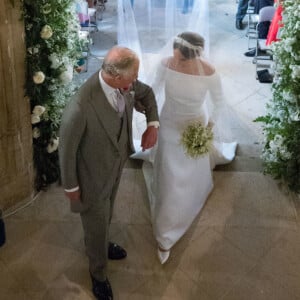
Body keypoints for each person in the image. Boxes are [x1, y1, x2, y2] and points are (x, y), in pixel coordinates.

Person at [59, 46, 159, 300]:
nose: (135, 81)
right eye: (132, 77)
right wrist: (71, 187)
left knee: (106, 213)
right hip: (91, 176)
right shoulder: (81, 106)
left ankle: (100, 244)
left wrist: (152, 125)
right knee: (95, 221)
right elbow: (67, 150)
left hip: (115, 165)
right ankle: (98, 273)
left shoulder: (125, 85)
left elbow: (147, 95)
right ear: (115, 77)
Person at [132, 32, 237, 264]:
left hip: (194, 125)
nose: (174, 60)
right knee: (169, 176)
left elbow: (219, 103)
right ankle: (165, 232)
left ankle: (187, 202)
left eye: (180, 58)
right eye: (174, 54)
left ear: (193, 56)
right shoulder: (165, 64)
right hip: (169, 122)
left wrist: (208, 128)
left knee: (191, 167)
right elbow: (153, 91)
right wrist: (146, 112)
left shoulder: (209, 73)